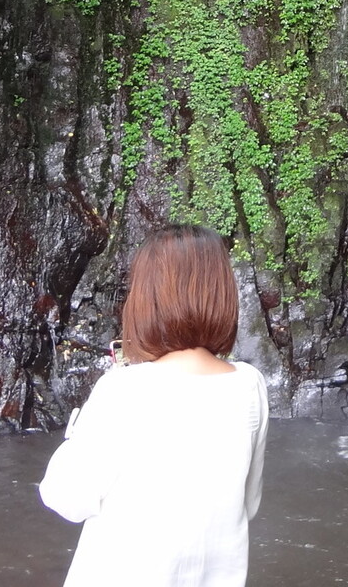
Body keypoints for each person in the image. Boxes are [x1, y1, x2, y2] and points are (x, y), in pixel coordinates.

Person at [39, 225, 271, 587]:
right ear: (222, 295)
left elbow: (66, 497)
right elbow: (248, 505)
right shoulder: (249, 385)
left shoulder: (123, 389)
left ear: (148, 300)